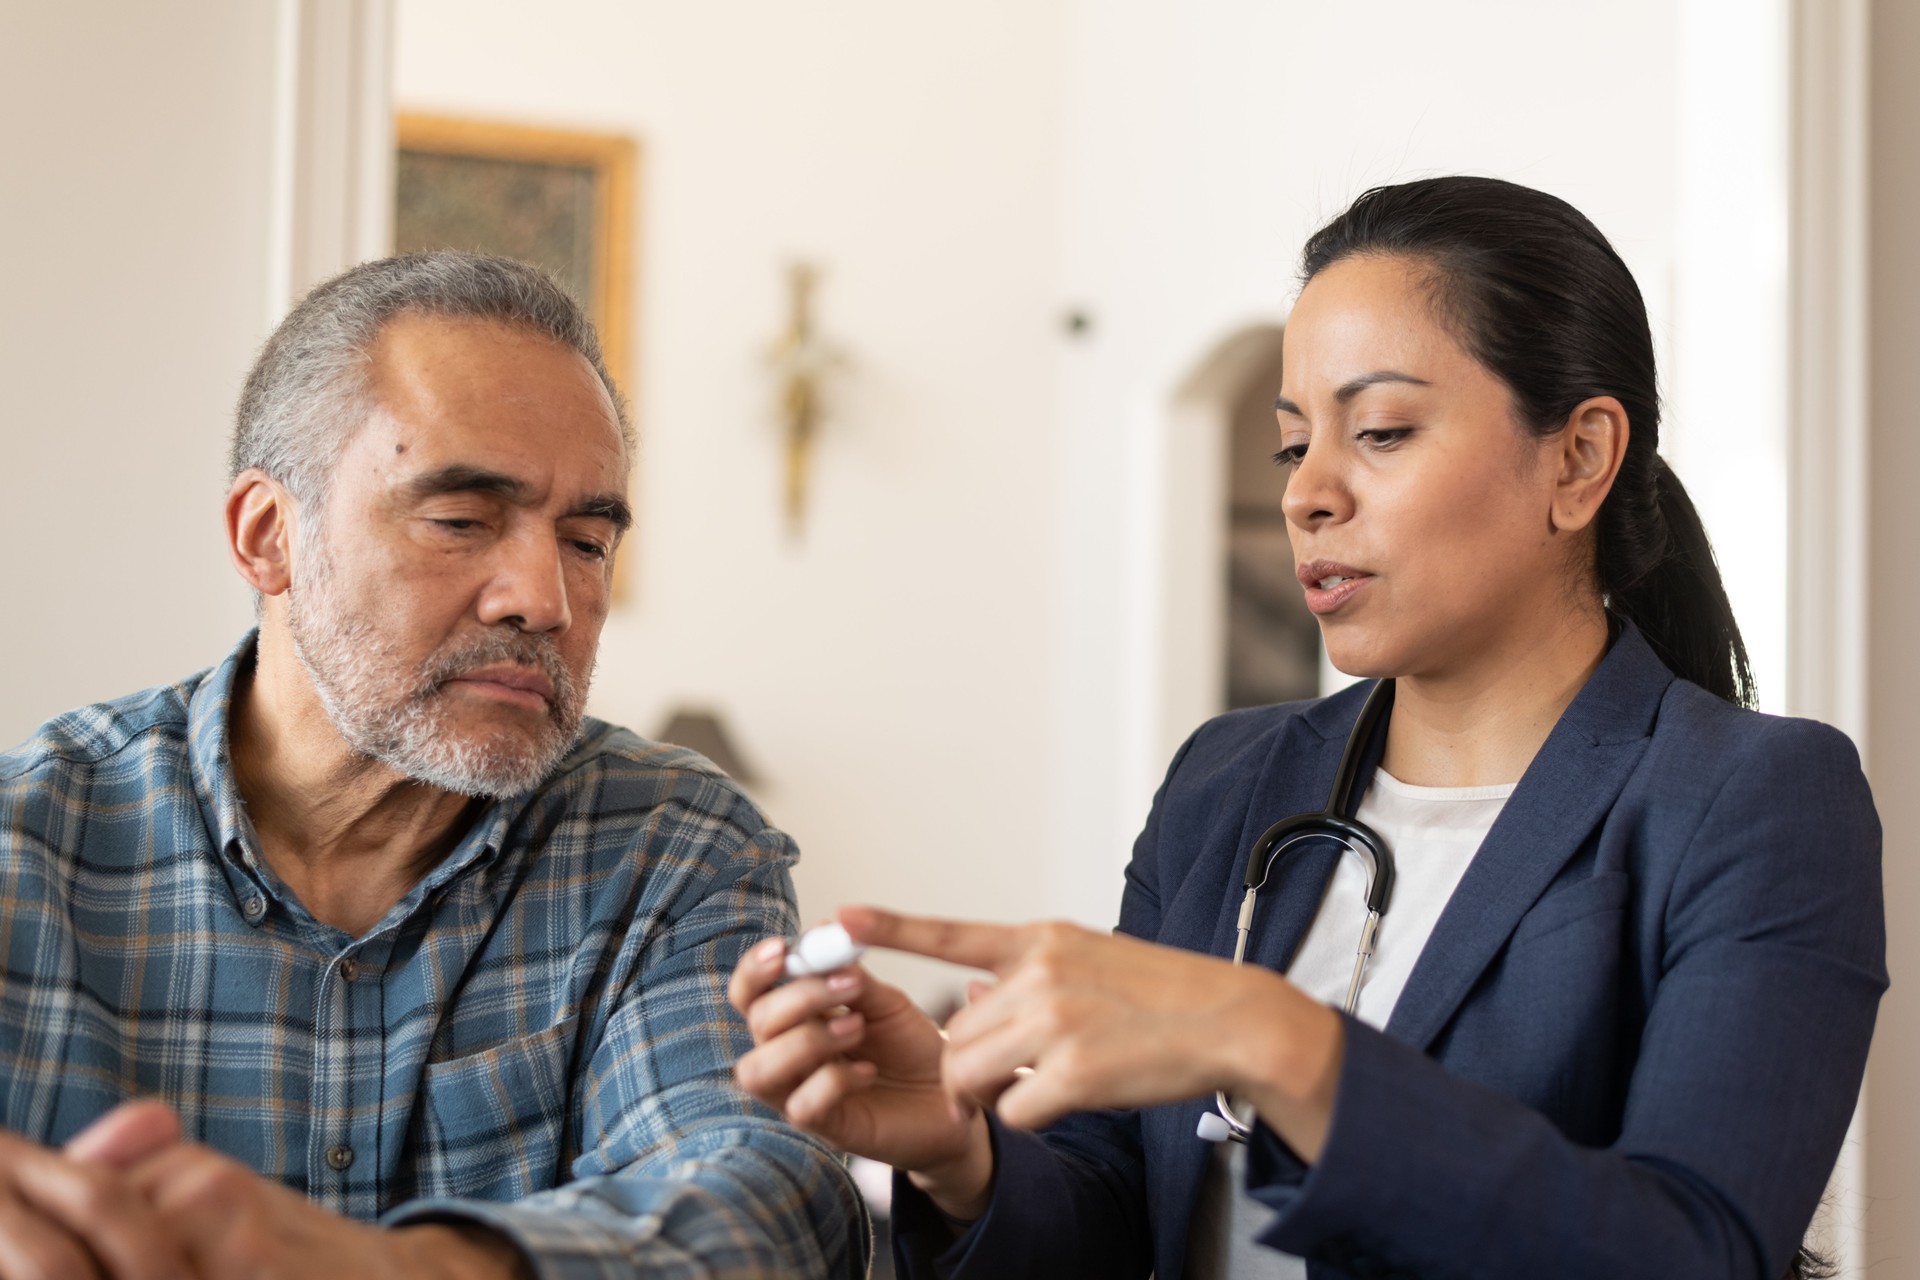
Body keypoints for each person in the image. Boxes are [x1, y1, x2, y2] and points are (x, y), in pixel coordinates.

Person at [731, 176, 1886, 1280]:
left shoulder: (1755, 798)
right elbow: (1118, 1207)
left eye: (1379, 430)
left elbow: (1691, 1250)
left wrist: (1281, 1039)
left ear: (1579, 458)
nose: (1306, 490)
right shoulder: (1227, 778)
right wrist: (962, 1150)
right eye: (1294, 443)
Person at [0, 252, 865, 1280]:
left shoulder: (674, 847)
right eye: (461, 521)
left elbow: (759, 1200)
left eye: (587, 541)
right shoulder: (27, 848)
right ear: (269, 535)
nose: (542, 598)